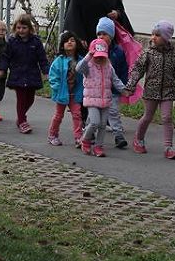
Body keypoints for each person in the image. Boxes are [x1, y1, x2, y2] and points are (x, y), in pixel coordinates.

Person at [123, 20, 175, 159]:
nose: (153, 37)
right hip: (151, 90)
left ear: (166, 37)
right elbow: (137, 70)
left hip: (168, 91)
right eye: (152, 34)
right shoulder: (148, 53)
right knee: (147, 117)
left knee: (167, 117)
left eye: (157, 35)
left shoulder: (173, 53)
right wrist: (131, 85)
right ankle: (138, 139)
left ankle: (168, 147)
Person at [0, 14, 49, 134]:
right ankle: (22, 121)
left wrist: (45, 71)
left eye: (24, 28)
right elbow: (6, 57)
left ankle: (21, 116)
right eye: (19, 28)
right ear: (15, 28)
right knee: (21, 98)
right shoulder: (12, 41)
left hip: (32, 73)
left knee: (30, 99)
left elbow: (42, 58)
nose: (21, 30)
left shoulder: (35, 42)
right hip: (18, 73)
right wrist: (2, 69)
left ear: (29, 29)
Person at [78, 38, 126, 157]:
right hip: (92, 100)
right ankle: (85, 139)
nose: (99, 59)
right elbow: (78, 68)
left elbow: (115, 80)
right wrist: (89, 55)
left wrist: (124, 90)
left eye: (102, 56)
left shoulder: (108, 66)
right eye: (97, 56)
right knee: (94, 122)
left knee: (103, 125)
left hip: (105, 100)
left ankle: (99, 146)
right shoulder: (88, 66)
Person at [90, 17, 130, 149]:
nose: (101, 36)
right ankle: (88, 133)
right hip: (96, 90)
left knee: (113, 113)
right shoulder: (94, 50)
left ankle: (118, 135)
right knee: (94, 114)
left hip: (112, 90)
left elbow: (123, 70)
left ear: (111, 35)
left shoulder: (118, 52)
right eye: (99, 33)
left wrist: (123, 87)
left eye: (104, 34)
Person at [48, 31, 85, 148]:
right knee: (59, 115)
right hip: (62, 93)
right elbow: (53, 77)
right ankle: (52, 135)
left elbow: (86, 74)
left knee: (77, 115)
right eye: (66, 41)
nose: (69, 42)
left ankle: (79, 137)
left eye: (72, 40)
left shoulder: (81, 60)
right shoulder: (59, 61)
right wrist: (57, 88)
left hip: (75, 93)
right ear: (62, 45)